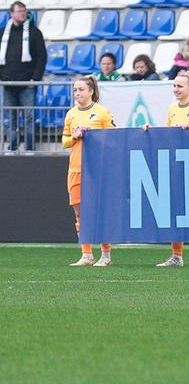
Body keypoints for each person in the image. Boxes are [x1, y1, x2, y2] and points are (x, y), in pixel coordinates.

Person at [147, 71, 189, 268]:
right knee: (176, 210)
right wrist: (151, 131)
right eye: (174, 86)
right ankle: (177, 255)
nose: (175, 89)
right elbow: (169, 135)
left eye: (180, 86)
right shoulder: (171, 108)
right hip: (177, 164)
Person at [60, 75, 114, 267]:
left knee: (100, 211)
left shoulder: (102, 113)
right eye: (75, 90)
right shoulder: (71, 114)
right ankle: (87, 254)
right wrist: (75, 137)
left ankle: (106, 254)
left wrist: (93, 136)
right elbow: (64, 141)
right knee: (80, 212)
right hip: (76, 167)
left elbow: (112, 138)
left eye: (81, 89)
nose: (77, 93)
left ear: (91, 91)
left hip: (97, 168)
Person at [2, 0, 46, 152]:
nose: (23, 13)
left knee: (29, 118)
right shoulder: (3, 33)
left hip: (27, 84)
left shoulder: (34, 32)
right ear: (12, 13)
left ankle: (29, 148)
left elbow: (41, 57)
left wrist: (35, 78)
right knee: (11, 119)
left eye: (24, 10)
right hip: (8, 84)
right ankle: (12, 147)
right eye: (19, 11)